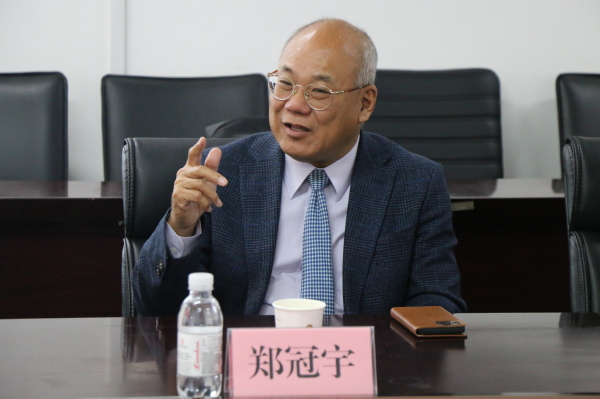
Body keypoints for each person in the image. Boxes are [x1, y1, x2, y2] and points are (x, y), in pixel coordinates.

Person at [133, 18, 467, 316]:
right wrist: (181, 228)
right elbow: (153, 308)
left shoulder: (414, 182)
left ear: (365, 103)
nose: (293, 105)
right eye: (285, 84)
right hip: (250, 356)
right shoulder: (223, 172)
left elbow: (436, 302)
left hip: (363, 358)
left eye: (319, 91)